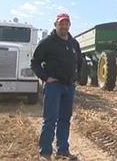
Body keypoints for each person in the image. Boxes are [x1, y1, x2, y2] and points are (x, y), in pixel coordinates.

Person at [31, 13, 83, 161]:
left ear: (69, 25)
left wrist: (76, 78)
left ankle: (62, 150)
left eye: (67, 23)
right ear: (55, 25)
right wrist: (46, 78)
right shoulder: (47, 42)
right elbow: (35, 63)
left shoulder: (74, 43)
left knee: (65, 119)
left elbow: (80, 62)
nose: (64, 26)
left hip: (69, 86)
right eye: (61, 23)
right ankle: (45, 152)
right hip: (54, 86)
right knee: (50, 119)